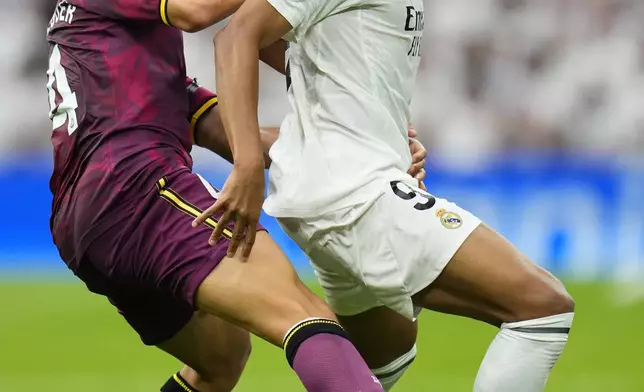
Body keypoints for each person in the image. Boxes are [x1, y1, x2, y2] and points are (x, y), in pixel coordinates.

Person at [45, 1, 424, 391]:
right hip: (136, 188)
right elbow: (195, 11)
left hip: (85, 219)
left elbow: (230, 134)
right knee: (303, 313)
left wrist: (369, 148)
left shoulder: (124, 49)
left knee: (222, 358)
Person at [204, 0, 576, 390]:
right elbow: (237, 36)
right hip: (355, 194)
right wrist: (247, 166)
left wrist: (385, 125)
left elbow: (299, 47)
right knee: (541, 308)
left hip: (332, 192)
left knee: (385, 357)